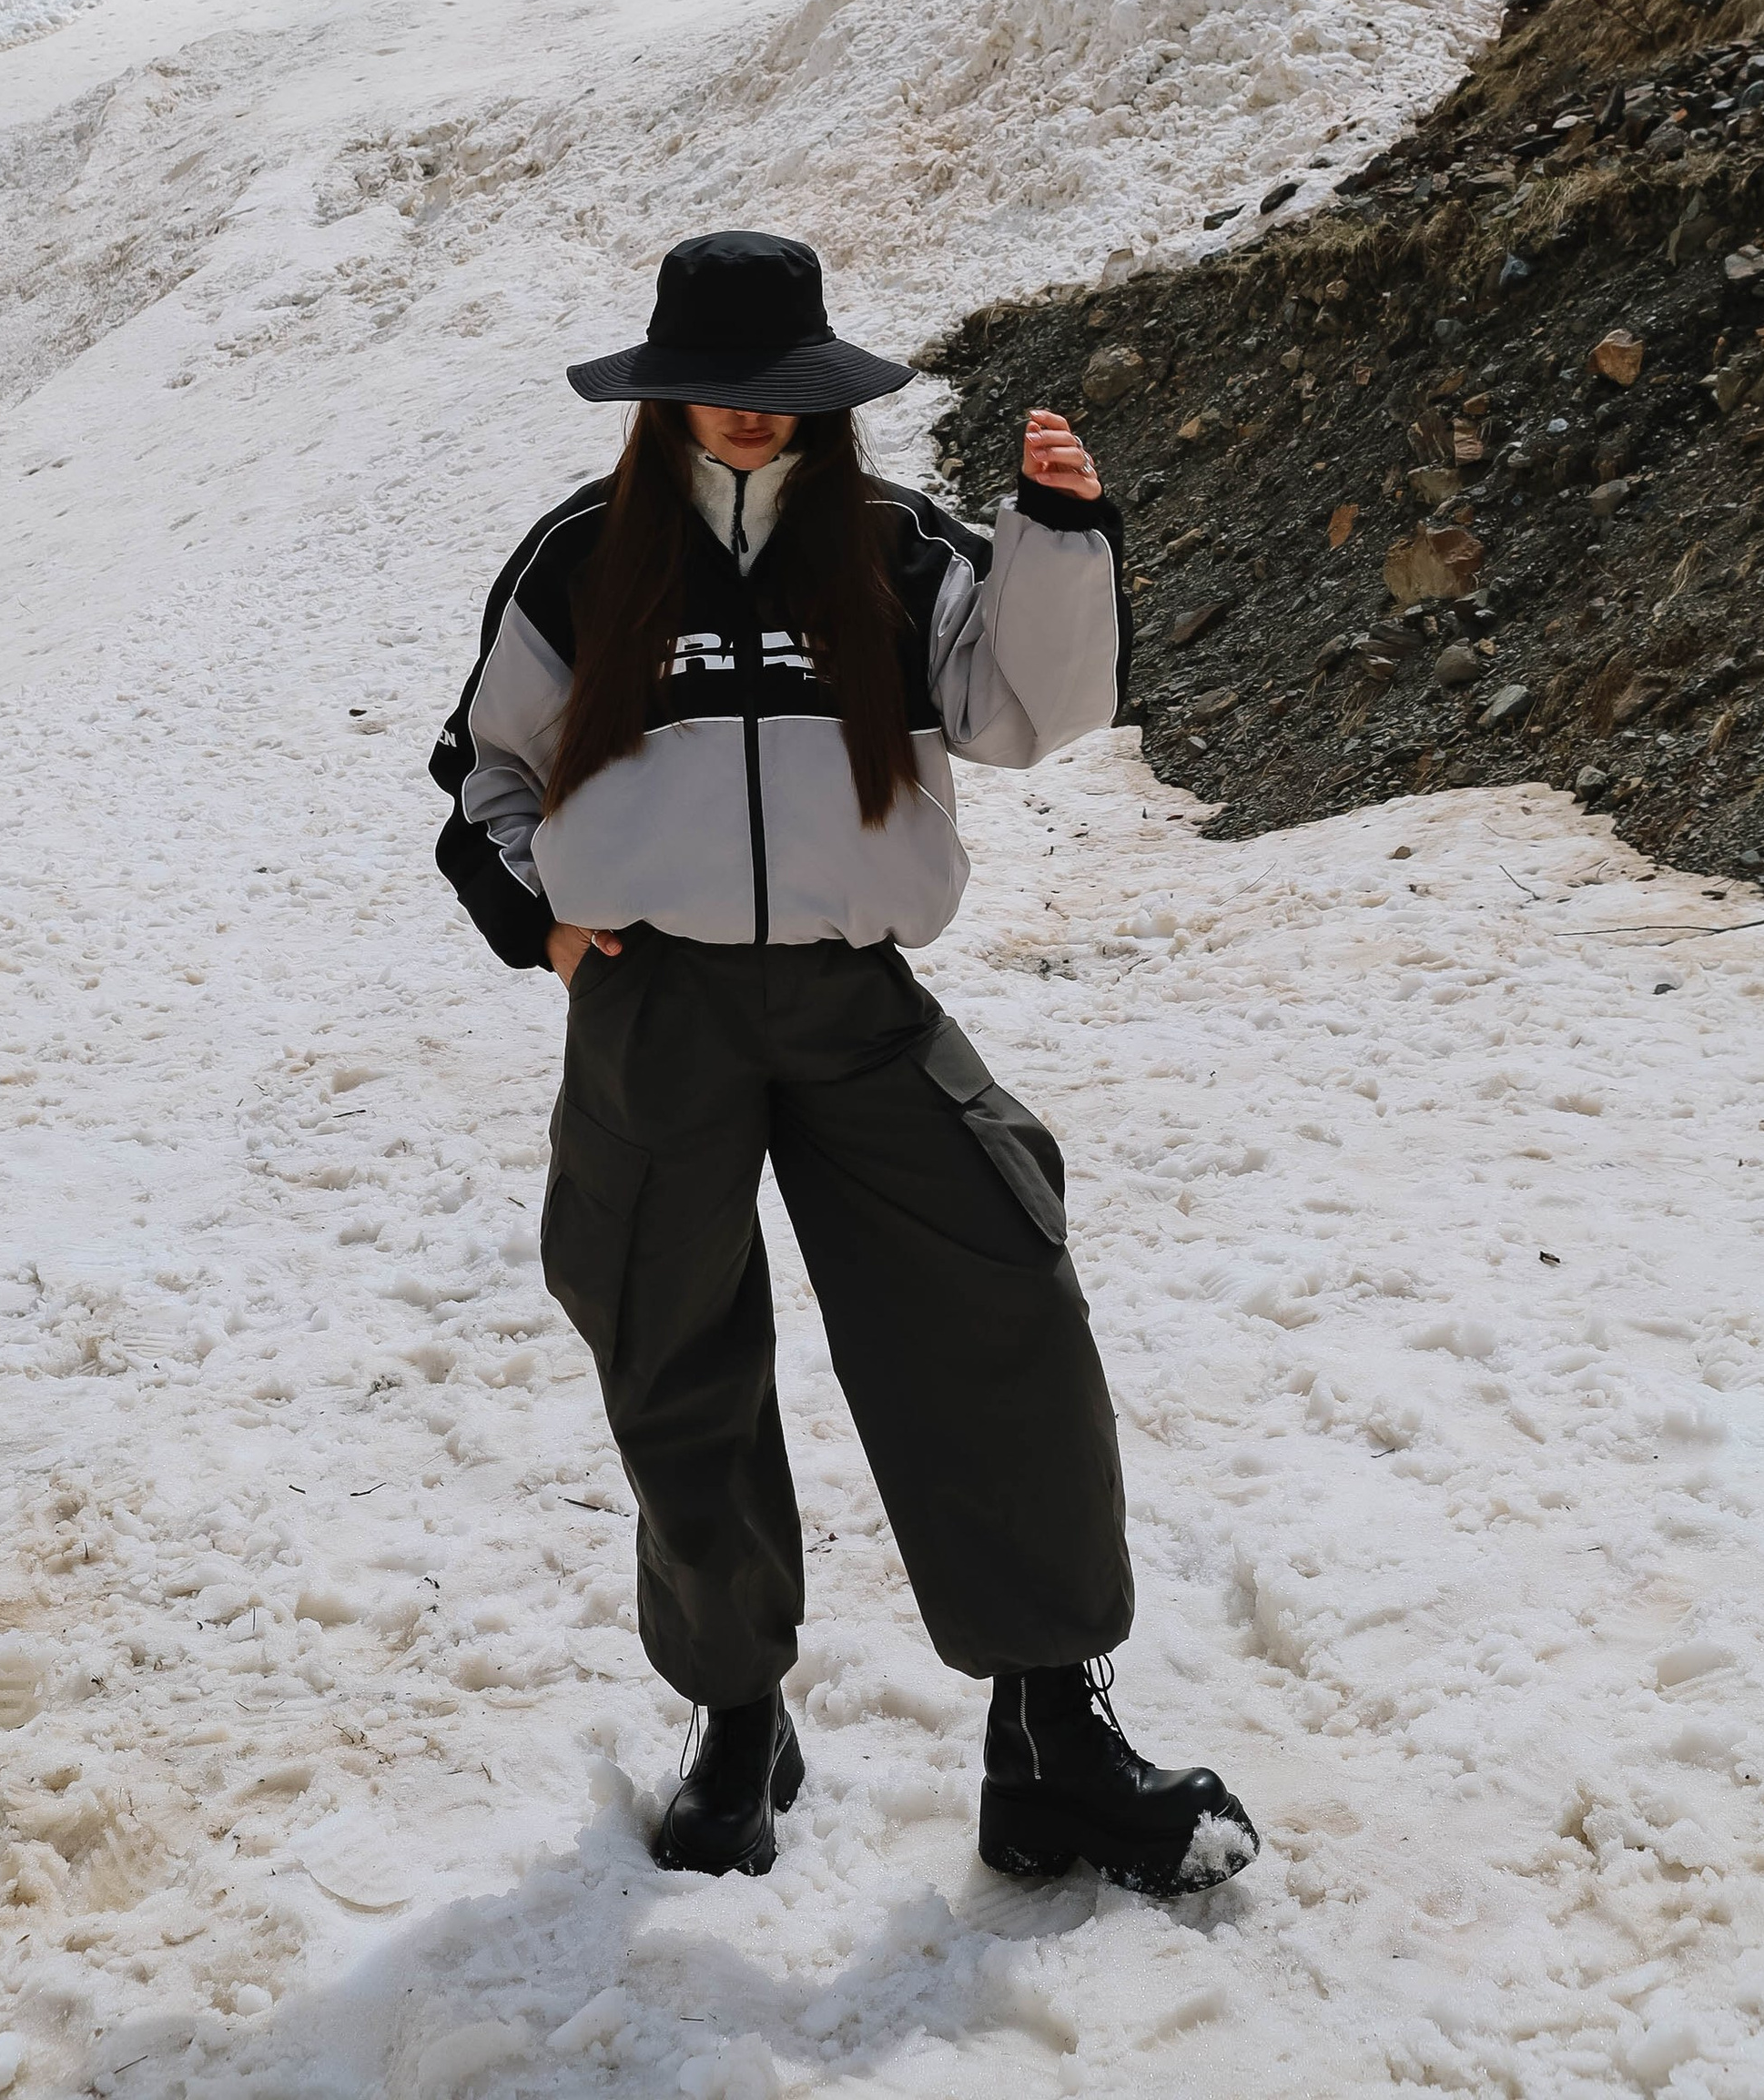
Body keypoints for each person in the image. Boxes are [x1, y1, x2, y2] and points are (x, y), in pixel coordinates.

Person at [431, 229, 1257, 1893]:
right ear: (665, 392)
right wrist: (549, 926)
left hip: (853, 996)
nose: (749, 414)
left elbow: (1028, 716)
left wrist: (1059, 536)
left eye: (779, 388)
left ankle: (1051, 1739)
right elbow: (482, 775)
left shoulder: (891, 543)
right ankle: (738, 1716)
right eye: (716, 387)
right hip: (656, 1008)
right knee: (672, 1347)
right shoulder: (583, 555)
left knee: (999, 1292)